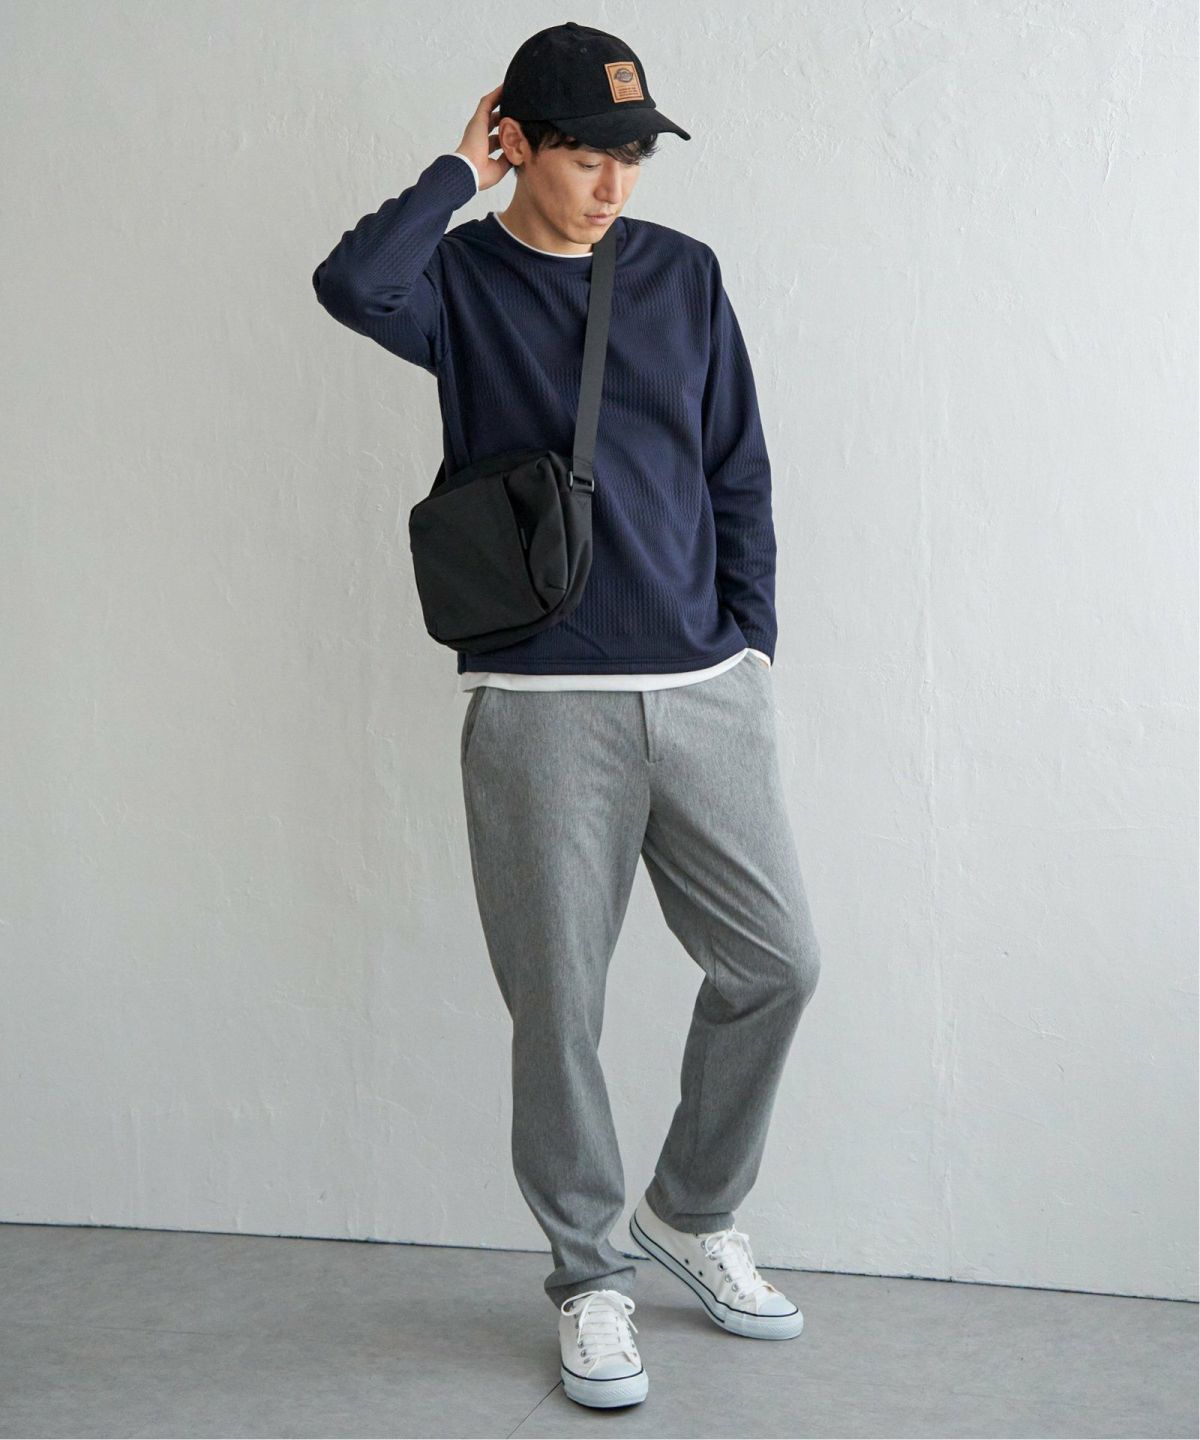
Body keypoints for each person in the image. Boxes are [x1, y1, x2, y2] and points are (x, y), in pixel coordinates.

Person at [312, 21, 822, 1412]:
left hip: (704, 689)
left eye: (632, 157)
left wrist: (751, 642)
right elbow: (352, 283)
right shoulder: (458, 282)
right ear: (522, 144)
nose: (613, 185)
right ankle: (590, 1277)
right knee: (559, 1010)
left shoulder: (682, 273)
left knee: (779, 963)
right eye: (588, 154)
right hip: (542, 702)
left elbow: (737, 463)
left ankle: (692, 1210)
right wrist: (453, 174)